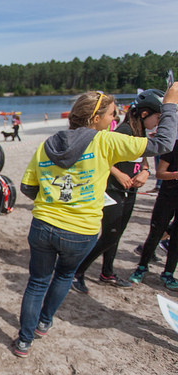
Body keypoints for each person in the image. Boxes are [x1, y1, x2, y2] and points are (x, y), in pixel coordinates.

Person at [15, 86, 178, 358]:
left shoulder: (48, 144)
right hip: (80, 230)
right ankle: (44, 321)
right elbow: (163, 143)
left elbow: (28, 188)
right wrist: (171, 105)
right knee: (64, 275)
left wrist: (54, 196)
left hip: (43, 225)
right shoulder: (104, 141)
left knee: (37, 282)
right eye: (111, 115)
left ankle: (24, 340)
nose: (114, 121)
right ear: (95, 118)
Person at [72, 89, 165, 294]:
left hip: (129, 192)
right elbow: (103, 155)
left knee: (117, 234)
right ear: (144, 114)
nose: (158, 122)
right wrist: (118, 173)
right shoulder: (123, 131)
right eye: (158, 117)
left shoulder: (140, 132)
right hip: (113, 190)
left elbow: (141, 155)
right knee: (109, 236)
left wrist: (146, 171)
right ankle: (77, 272)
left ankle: (107, 272)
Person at [128, 124, 178, 291]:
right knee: (155, 233)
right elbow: (160, 173)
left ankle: (168, 273)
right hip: (168, 196)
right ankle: (142, 267)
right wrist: (176, 175)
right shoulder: (173, 147)